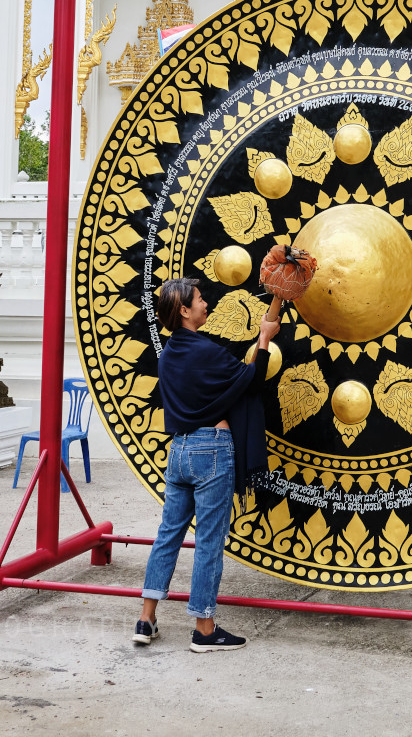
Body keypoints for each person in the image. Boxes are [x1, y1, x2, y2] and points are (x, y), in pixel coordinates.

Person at [134, 277, 278, 653]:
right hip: (211, 450)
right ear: (184, 310)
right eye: (200, 299)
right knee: (209, 542)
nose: (206, 303)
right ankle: (204, 628)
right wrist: (264, 337)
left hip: (179, 451)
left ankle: (146, 619)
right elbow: (250, 378)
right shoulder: (205, 351)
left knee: (168, 534)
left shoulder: (167, 355)